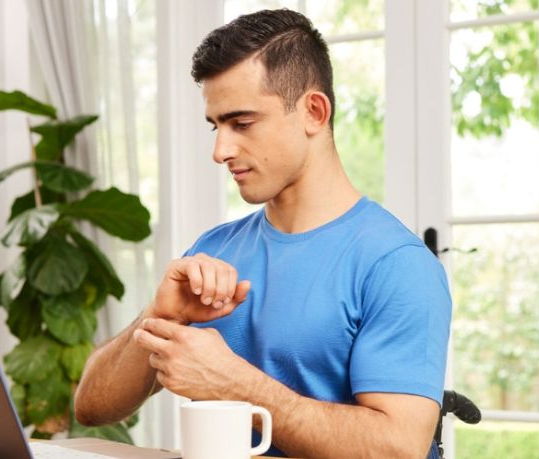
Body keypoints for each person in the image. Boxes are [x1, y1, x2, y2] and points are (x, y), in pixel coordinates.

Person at [74, 8, 451, 459]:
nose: (220, 151)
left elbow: (398, 449)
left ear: (314, 111)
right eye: (216, 126)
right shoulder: (213, 251)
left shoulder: (397, 265)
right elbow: (92, 407)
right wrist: (159, 315)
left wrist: (235, 385)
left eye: (242, 123)